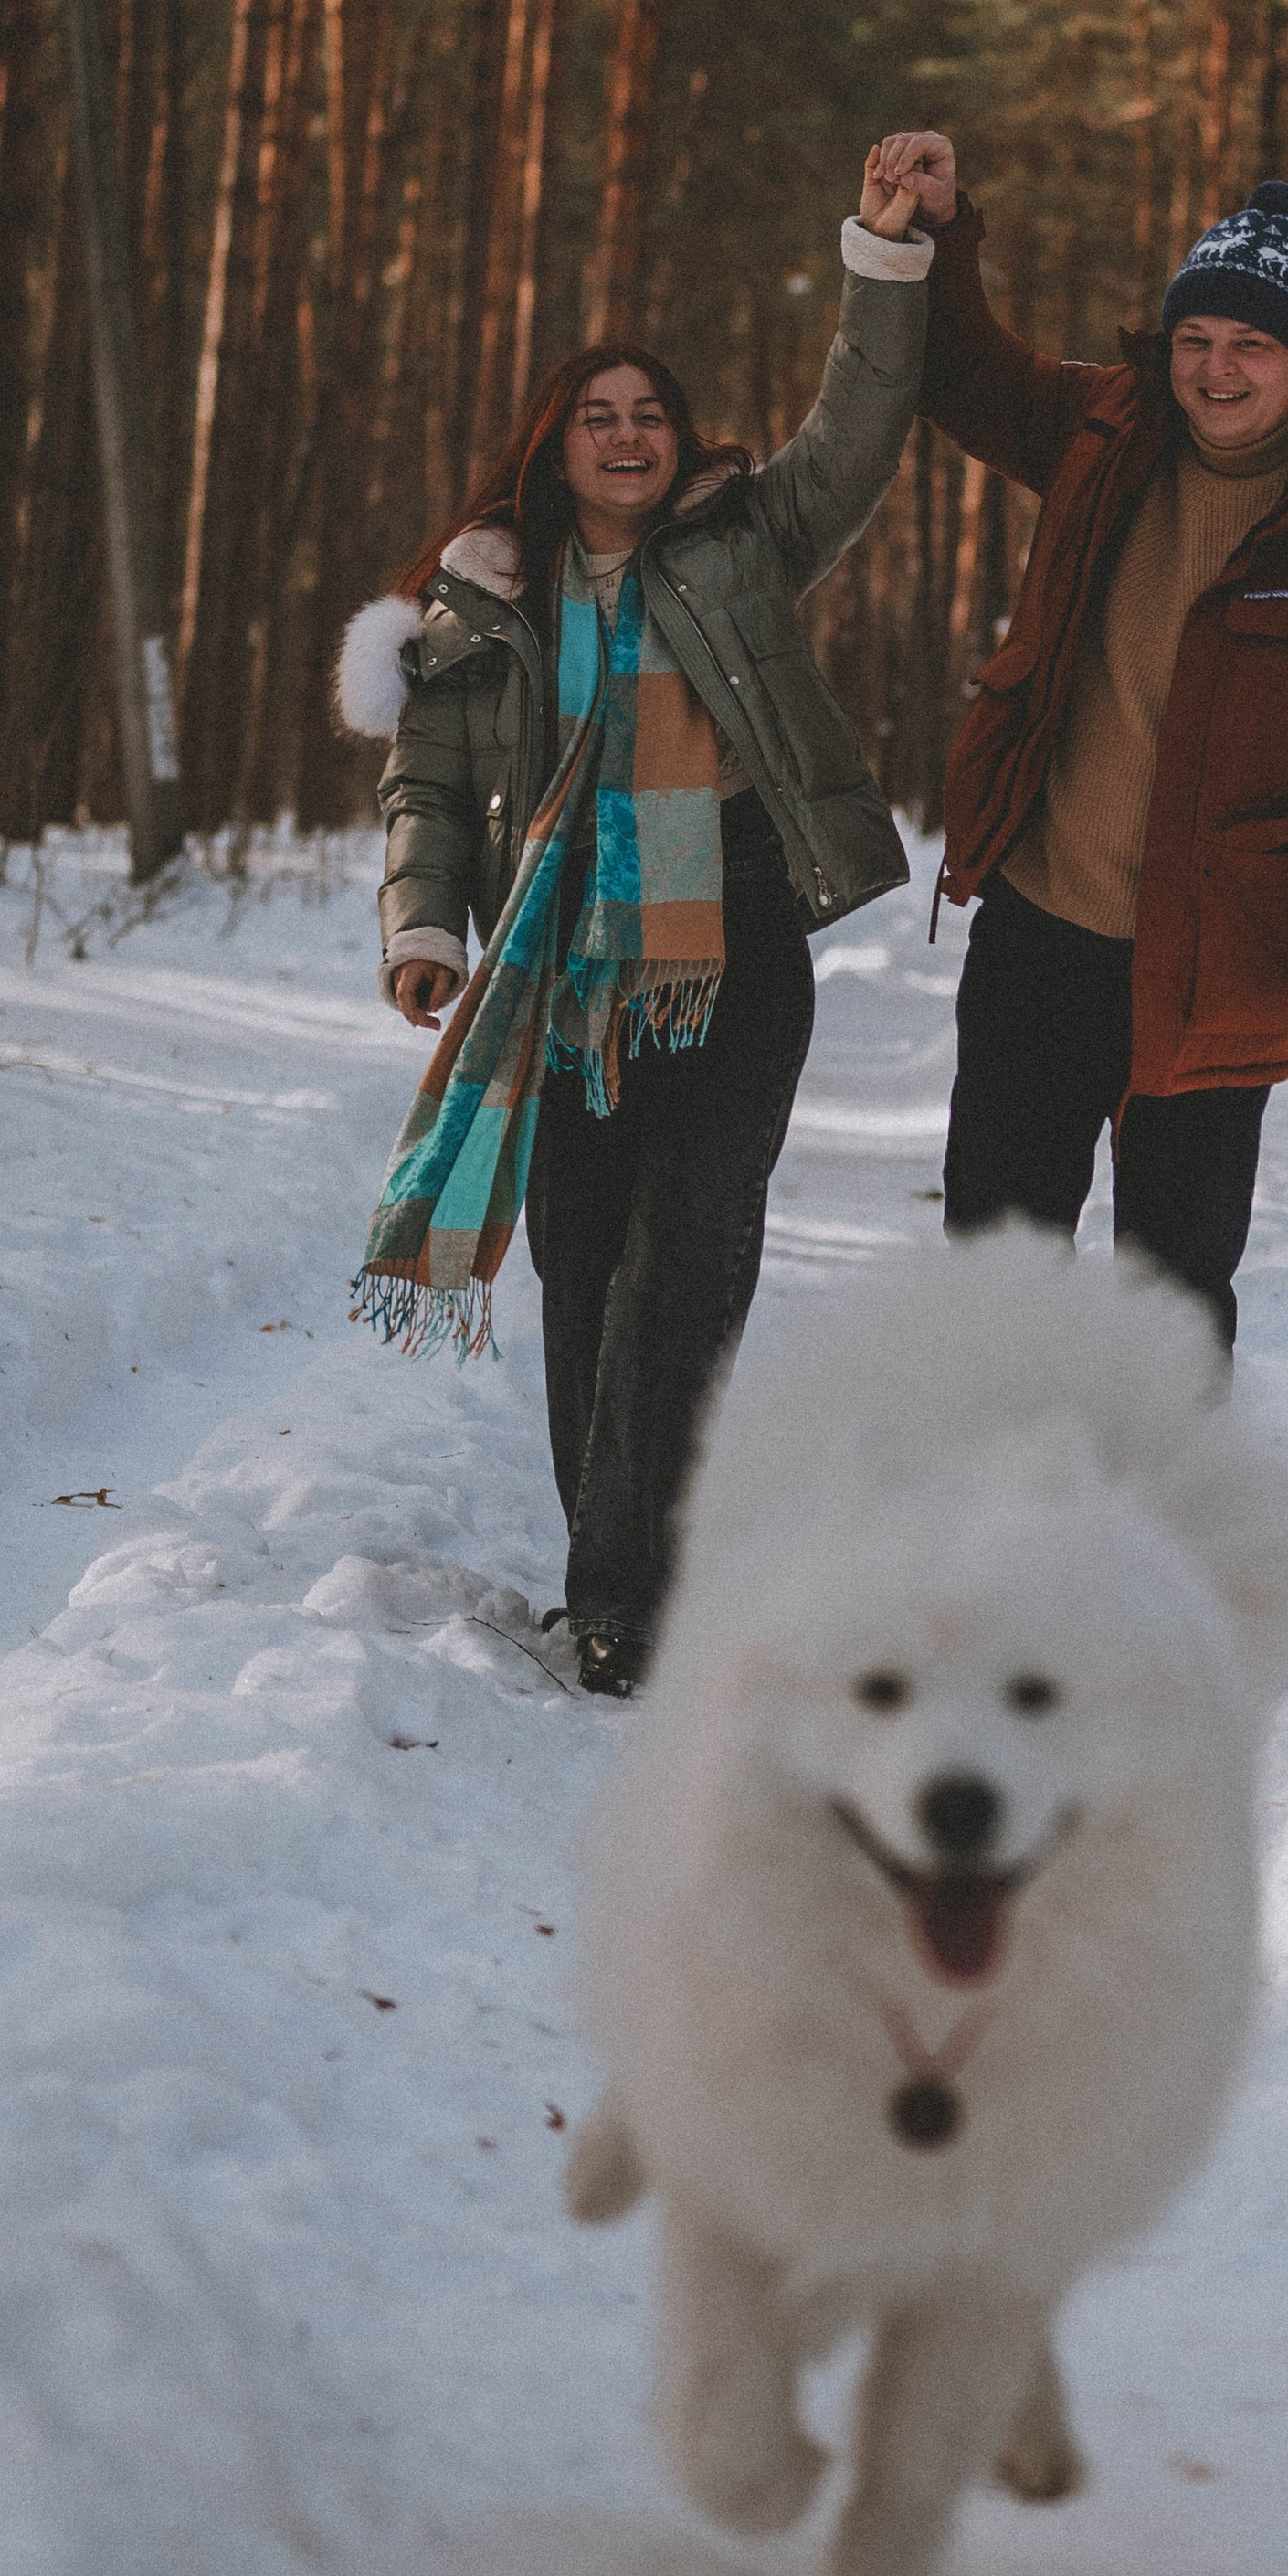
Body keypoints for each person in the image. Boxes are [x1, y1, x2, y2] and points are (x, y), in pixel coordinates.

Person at [338, 152, 934, 1694]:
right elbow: (428, 778)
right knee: (585, 1267)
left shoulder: (745, 542)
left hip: (730, 931)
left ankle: (621, 1601)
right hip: (563, 958)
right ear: (555, 443)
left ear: (681, 443)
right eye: (597, 415)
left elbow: (857, 432)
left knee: (688, 1260)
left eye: (649, 414)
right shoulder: (487, 602)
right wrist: (426, 932)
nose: (626, 436)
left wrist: (881, 247)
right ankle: (631, 1565)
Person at [872, 133, 1288, 1347]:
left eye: (1249, 345)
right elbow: (965, 372)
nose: (1215, 371)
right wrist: (936, 230)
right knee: (994, 1264)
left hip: (1222, 962)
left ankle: (1152, 1534)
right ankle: (985, 1529)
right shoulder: (1110, 428)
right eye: (1194, 340)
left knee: (1172, 1301)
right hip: (1043, 926)